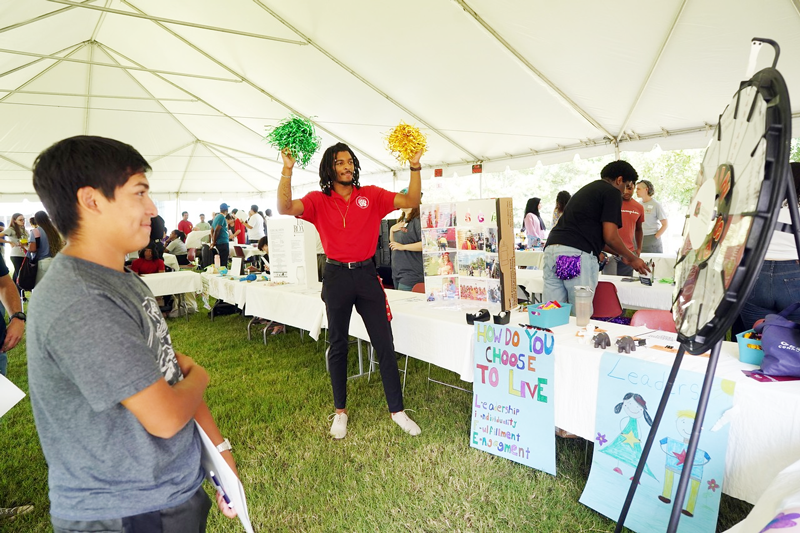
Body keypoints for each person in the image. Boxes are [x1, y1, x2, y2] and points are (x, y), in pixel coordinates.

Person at [27, 135, 238, 531]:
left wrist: (220, 449)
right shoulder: (81, 298)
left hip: (165, 492)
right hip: (126, 511)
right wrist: (203, 376)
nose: (152, 209)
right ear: (91, 200)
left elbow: (171, 372)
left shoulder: (117, 278)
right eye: (140, 193)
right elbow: (165, 417)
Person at [277, 142, 421, 440]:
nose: (347, 166)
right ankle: (340, 412)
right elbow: (285, 207)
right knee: (338, 344)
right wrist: (287, 170)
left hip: (367, 275)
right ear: (329, 168)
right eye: (340, 162)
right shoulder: (317, 200)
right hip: (336, 275)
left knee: (384, 342)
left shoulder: (371, 195)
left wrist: (415, 166)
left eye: (350, 161)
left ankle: (397, 410)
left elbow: (411, 198)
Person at [543, 160, 649, 312]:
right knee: (580, 312)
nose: (624, 191)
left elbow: (596, 237)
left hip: (553, 251)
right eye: (625, 185)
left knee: (553, 310)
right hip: (574, 256)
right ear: (619, 180)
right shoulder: (612, 192)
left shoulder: (587, 190)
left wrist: (622, 254)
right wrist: (633, 258)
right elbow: (610, 236)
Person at [739, 162, 800, 330]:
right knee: (795, 343)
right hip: (794, 271)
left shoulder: (758, 209)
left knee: (754, 338)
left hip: (755, 273)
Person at [389, 193, 423, 291]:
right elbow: (393, 244)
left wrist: (403, 247)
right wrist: (392, 230)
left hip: (412, 273)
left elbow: (425, 244)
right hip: (397, 272)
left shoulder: (418, 220)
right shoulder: (401, 220)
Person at [611, 180, 644, 277]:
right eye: (624, 188)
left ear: (634, 188)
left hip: (629, 253)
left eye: (629, 188)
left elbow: (639, 229)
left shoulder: (639, 207)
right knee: (610, 283)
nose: (626, 191)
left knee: (626, 283)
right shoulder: (611, 203)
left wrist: (639, 249)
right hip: (611, 251)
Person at [27, 210, 64, 285]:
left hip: (43, 261)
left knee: (40, 286)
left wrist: (25, 246)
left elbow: (33, 249)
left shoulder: (35, 231)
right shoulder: (54, 230)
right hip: (55, 260)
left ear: (36, 220)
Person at [636, 180, 669, 253]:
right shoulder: (638, 205)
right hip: (639, 239)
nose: (636, 191)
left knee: (654, 263)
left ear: (646, 189)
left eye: (638, 189)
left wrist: (655, 237)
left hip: (651, 239)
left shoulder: (656, 205)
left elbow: (665, 224)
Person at [3, 213, 29, 286]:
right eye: (20, 220)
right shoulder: (11, 230)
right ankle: (21, 295)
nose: (23, 221)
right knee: (20, 276)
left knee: (17, 275)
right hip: (16, 255)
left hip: (24, 254)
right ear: (14, 221)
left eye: (23, 219)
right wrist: (9, 242)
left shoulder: (24, 230)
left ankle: (14, 291)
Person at [211, 203, 230, 268]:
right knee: (224, 261)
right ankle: (223, 274)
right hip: (223, 241)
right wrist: (214, 241)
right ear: (226, 210)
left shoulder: (216, 217)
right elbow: (217, 229)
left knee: (220, 261)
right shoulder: (222, 217)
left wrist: (213, 240)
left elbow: (212, 230)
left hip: (219, 242)